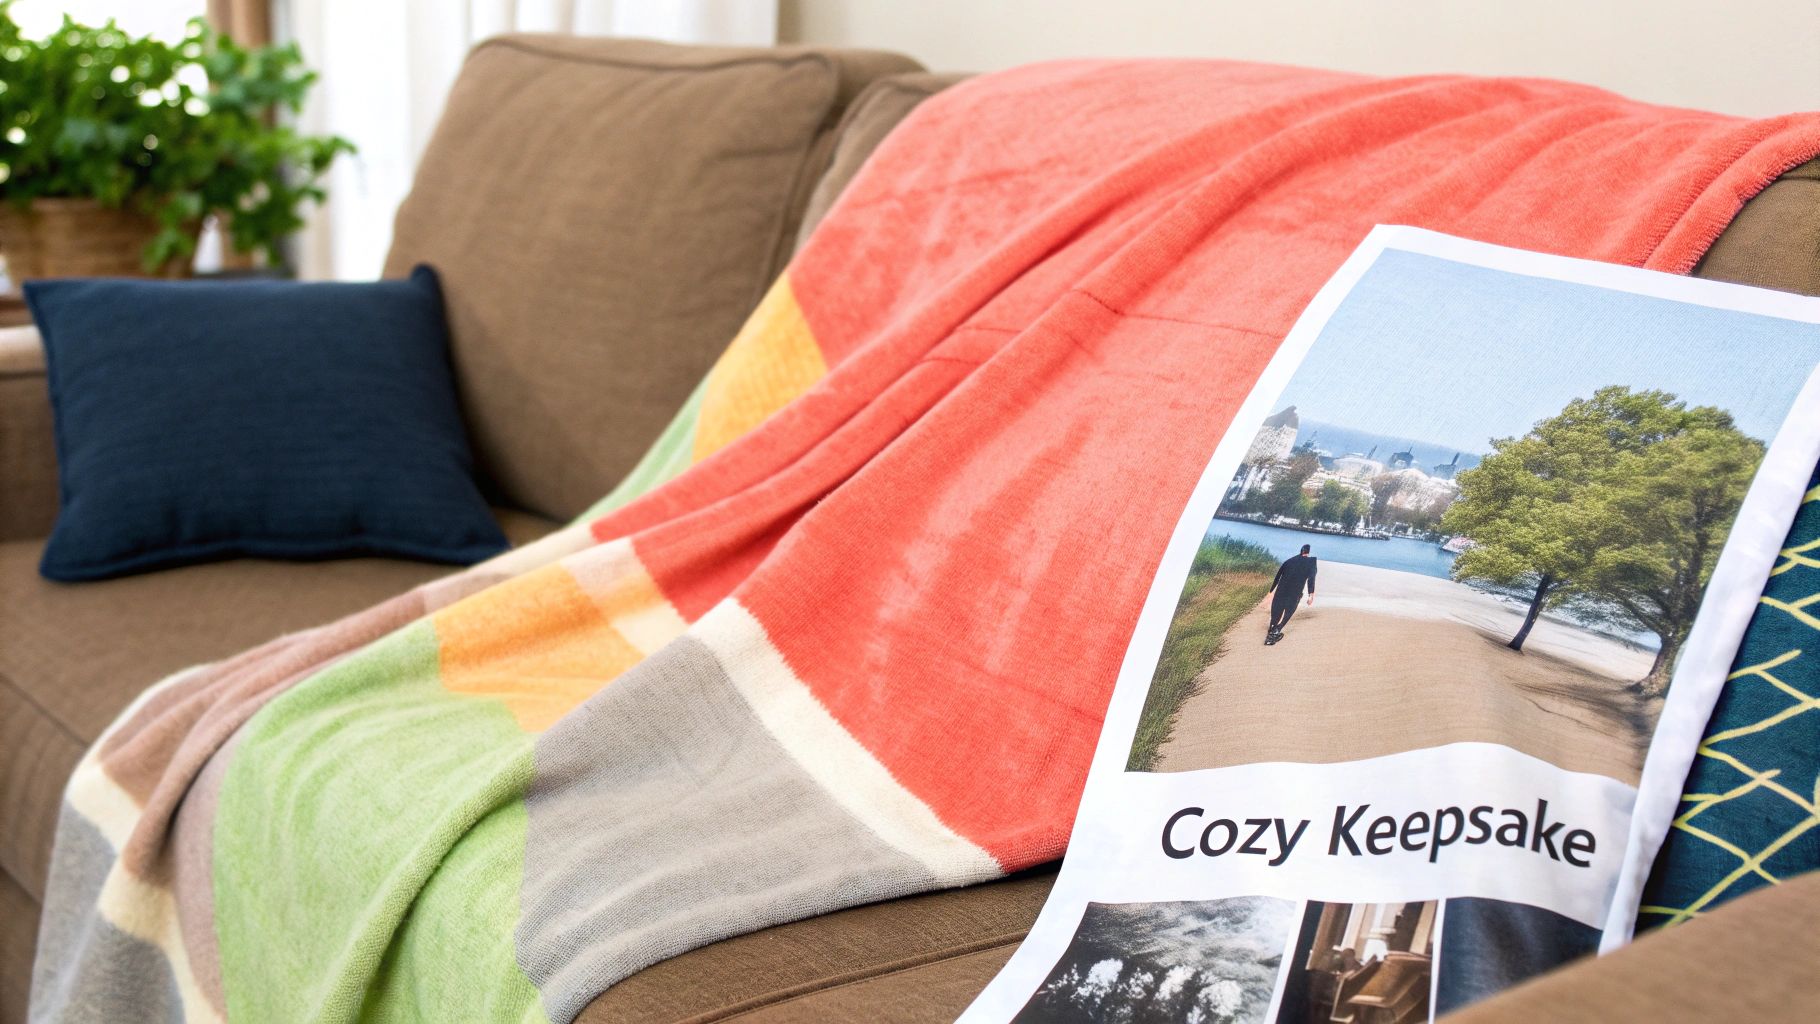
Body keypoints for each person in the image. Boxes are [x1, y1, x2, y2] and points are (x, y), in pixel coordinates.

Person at [1266, 544, 1317, 642]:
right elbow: (1311, 579)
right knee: (1289, 610)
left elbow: (1278, 576)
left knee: (1277, 608)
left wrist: (1271, 590)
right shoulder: (1311, 562)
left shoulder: (1289, 561)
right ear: (1308, 552)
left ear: (1301, 551)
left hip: (1281, 589)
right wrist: (1311, 595)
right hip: (1295, 591)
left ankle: (1272, 626)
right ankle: (1277, 630)